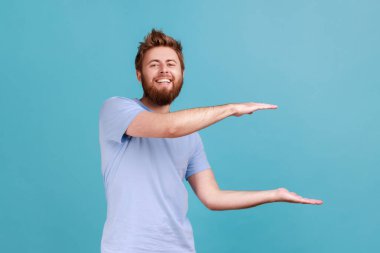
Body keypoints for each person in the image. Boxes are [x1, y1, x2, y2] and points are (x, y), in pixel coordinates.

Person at [98, 28, 323, 253]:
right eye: (154, 64)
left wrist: (274, 194)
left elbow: (212, 197)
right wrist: (231, 109)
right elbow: (170, 127)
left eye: (171, 64)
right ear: (139, 74)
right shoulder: (117, 109)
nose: (164, 70)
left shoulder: (191, 137)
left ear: (182, 73)